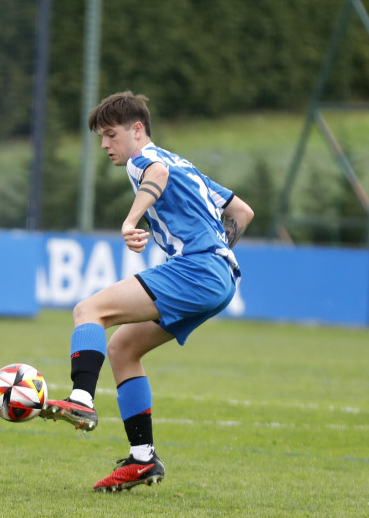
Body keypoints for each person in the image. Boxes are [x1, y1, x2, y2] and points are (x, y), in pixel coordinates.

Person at [39, 91, 254, 492]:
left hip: (198, 269)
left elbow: (156, 176)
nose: (105, 145)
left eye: (110, 134)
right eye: (101, 137)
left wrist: (131, 220)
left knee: (89, 311)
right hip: (222, 277)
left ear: (137, 130)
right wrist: (219, 252)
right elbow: (242, 212)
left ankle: (81, 400)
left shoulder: (144, 161)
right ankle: (142, 460)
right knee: (123, 348)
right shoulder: (183, 162)